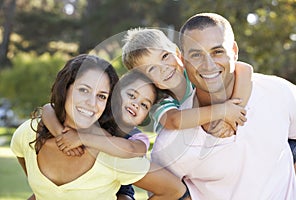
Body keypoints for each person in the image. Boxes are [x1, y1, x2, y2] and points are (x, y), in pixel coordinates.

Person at [150, 12, 296, 199]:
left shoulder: (279, 92)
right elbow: (165, 193)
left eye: (217, 52)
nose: (208, 65)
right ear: (182, 59)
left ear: (234, 51)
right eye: (196, 55)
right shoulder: (171, 143)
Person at [10, 54, 190, 200]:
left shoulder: (112, 150)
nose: (91, 103)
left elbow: (174, 191)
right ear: (65, 88)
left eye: (102, 96)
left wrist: (83, 138)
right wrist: (60, 134)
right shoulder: (28, 134)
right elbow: (41, 191)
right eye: (83, 90)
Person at [41, 69, 163, 199]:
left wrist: (82, 138)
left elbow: (132, 149)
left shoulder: (137, 137)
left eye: (144, 105)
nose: (136, 104)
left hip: (120, 188)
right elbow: (48, 108)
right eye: (132, 95)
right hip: (86, 181)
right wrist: (61, 135)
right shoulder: (95, 115)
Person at [122, 28, 252, 138]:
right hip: (174, 152)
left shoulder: (194, 73)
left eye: (165, 56)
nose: (164, 68)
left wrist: (233, 114)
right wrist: (222, 111)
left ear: (178, 53)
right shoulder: (159, 99)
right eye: (152, 68)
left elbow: (244, 68)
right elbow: (175, 120)